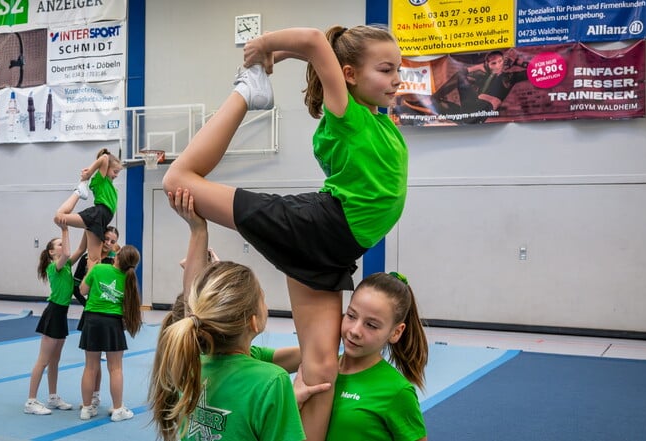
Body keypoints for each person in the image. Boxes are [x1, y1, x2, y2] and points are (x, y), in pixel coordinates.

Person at [161, 24, 407, 440]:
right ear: (348, 75)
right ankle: (247, 90)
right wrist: (265, 48)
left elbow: (318, 50)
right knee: (178, 181)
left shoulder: (376, 120)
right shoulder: (347, 114)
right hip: (314, 227)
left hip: (330, 250)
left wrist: (291, 56)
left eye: (399, 69)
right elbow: (313, 39)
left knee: (323, 364)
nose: (397, 79)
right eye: (386, 70)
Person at [150, 187, 323, 441]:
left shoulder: (190, 360)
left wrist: (198, 231)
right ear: (253, 322)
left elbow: (192, 303)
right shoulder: (272, 382)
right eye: (262, 297)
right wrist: (289, 402)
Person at [326, 271, 428, 441]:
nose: (354, 331)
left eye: (371, 325)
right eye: (351, 316)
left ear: (396, 332)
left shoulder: (397, 392)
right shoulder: (323, 366)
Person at [24, 223, 86, 415]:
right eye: (58, 244)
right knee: (43, 360)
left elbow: (81, 249)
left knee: (55, 361)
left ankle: (52, 397)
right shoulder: (55, 267)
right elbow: (67, 254)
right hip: (53, 313)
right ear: (51, 252)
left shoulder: (66, 265)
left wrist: (88, 227)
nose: (62, 247)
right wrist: (65, 229)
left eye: (62, 243)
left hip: (61, 315)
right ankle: (31, 401)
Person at [77, 244, 143, 422]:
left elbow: (82, 290)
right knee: (115, 368)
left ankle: (86, 408)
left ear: (117, 257)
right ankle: (118, 409)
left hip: (92, 320)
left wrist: (89, 271)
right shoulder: (128, 279)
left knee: (90, 367)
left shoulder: (98, 269)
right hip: (113, 323)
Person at [400, 50, 528, 124]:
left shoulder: (510, 77)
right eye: (493, 63)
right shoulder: (482, 77)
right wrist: (480, 67)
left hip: (482, 108)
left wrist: (519, 62)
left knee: (460, 76)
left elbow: (532, 70)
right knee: (436, 104)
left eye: (500, 62)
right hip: (467, 113)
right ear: (487, 65)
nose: (497, 65)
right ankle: (405, 109)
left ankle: (430, 99)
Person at [71, 225, 119, 412]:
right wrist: (88, 304)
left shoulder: (117, 262)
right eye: (105, 239)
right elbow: (77, 287)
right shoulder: (87, 259)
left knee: (110, 364)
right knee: (92, 362)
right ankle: (92, 398)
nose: (108, 244)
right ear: (100, 238)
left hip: (111, 316)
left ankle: (95, 398)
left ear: (116, 244)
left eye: (112, 241)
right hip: (91, 312)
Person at [54, 148, 123, 278]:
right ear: (106, 169)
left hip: (101, 220)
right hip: (98, 214)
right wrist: (89, 173)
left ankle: (90, 289)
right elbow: (104, 158)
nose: (116, 175)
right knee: (59, 217)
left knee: (95, 260)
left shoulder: (109, 184)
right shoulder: (101, 179)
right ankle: (78, 191)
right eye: (115, 171)